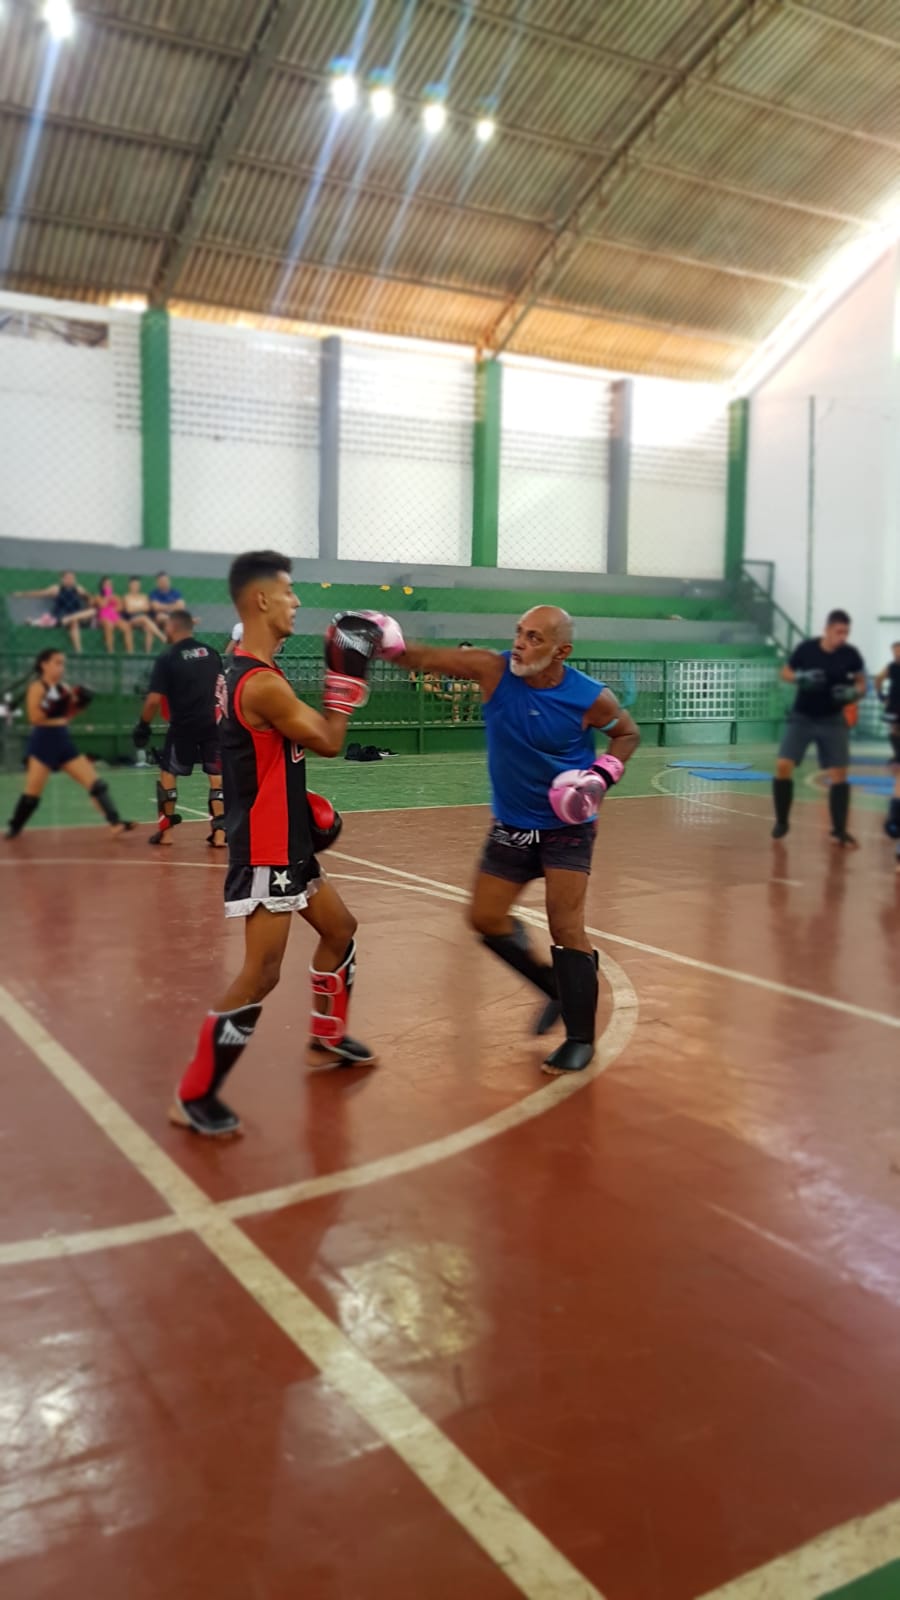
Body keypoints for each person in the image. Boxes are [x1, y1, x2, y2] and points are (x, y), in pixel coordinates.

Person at [374, 605, 640, 1075]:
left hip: (567, 828)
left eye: (534, 638)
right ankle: (553, 985)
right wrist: (383, 644)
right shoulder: (492, 670)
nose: (519, 643)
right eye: (519, 633)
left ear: (561, 651)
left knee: (566, 926)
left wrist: (600, 777)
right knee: (485, 917)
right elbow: (426, 658)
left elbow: (627, 734)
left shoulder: (588, 697)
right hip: (513, 825)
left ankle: (580, 1038)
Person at [169, 552, 382, 1137]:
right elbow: (330, 741)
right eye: (288, 592)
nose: (297, 601)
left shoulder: (247, 670)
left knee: (340, 929)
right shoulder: (260, 683)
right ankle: (194, 1094)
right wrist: (347, 679)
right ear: (261, 599)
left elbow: (266, 754)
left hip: (287, 839)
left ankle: (327, 1038)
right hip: (267, 848)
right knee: (261, 973)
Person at [4, 648, 136, 838]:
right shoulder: (37, 687)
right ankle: (15, 827)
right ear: (44, 665)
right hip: (43, 742)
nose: (61, 667)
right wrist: (55, 706)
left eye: (63, 663)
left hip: (62, 741)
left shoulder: (63, 688)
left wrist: (79, 705)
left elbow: (67, 716)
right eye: (57, 663)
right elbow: (35, 718)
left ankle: (115, 823)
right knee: (32, 794)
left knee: (96, 785)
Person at [772, 609, 866, 847]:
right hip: (802, 717)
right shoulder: (807, 649)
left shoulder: (851, 654)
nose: (842, 637)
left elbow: (861, 684)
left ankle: (839, 831)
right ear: (827, 629)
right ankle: (782, 821)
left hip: (833, 719)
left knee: (839, 773)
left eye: (846, 633)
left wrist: (853, 693)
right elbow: (785, 672)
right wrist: (800, 678)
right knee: (783, 764)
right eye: (839, 632)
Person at [132, 609, 226, 849]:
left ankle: (166, 833)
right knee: (216, 776)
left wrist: (143, 726)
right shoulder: (212, 653)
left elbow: (153, 700)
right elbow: (222, 688)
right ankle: (219, 835)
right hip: (212, 724)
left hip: (183, 726)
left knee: (168, 773)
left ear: (172, 627)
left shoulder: (168, 658)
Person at [11, 570, 95, 653]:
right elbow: (40, 593)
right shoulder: (56, 589)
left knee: (92, 611)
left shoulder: (79, 589)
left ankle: (70, 618)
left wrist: (87, 596)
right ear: (62, 579)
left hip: (77, 616)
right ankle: (79, 652)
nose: (70, 580)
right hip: (61, 617)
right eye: (68, 578)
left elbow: (90, 598)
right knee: (74, 622)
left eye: (72, 578)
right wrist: (22, 594)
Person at [875, 640, 900, 842]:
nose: (896, 654)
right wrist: (881, 695)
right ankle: (897, 754)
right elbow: (878, 678)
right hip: (894, 704)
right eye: (895, 651)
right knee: (894, 730)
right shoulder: (891, 667)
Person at [122, 577, 166, 651]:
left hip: (143, 621)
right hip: (131, 619)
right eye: (134, 585)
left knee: (149, 629)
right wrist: (141, 607)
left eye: (137, 585)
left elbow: (148, 608)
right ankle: (161, 636)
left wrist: (135, 608)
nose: (136, 587)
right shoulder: (127, 597)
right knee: (143, 618)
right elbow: (128, 610)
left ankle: (147, 652)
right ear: (130, 585)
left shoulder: (144, 596)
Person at [95, 577, 134, 655]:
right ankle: (110, 651)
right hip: (103, 617)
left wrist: (114, 605)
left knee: (127, 626)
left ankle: (130, 652)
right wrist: (107, 597)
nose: (108, 586)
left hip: (115, 617)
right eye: (106, 584)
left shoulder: (115, 596)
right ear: (102, 586)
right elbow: (102, 605)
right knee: (109, 625)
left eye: (110, 584)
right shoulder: (98, 596)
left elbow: (121, 607)